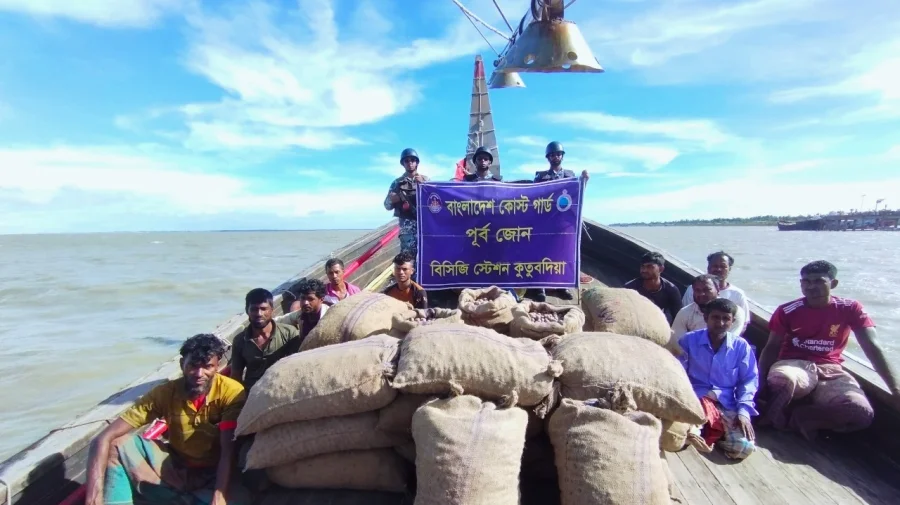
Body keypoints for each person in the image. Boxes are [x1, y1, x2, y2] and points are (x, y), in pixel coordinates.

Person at [84, 334, 248, 505]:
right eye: (192, 366)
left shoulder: (231, 392)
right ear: (181, 364)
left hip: (215, 473)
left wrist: (218, 496)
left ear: (217, 365)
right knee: (115, 443)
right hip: (177, 465)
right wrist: (93, 498)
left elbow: (228, 451)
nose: (200, 374)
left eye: (207, 366)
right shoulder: (165, 393)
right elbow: (102, 438)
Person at [757, 260, 900, 439]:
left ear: (833, 283)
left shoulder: (850, 308)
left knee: (860, 411)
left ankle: (800, 417)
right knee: (782, 379)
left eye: (819, 281)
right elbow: (772, 347)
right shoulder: (788, 310)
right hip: (795, 363)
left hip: (830, 368)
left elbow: (872, 347)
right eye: (806, 281)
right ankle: (775, 417)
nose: (811, 287)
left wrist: (895, 389)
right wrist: (760, 379)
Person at [679, 298, 758, 460]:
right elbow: (679, 373)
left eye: (726, 319)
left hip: (726, 403)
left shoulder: (741, 347)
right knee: (681, 435)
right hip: (695, 398)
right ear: (706, 317)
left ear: (732, 321)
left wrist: (743, 412)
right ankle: (699, 431)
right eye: (715, 317)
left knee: (744, 448)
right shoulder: (688, 340)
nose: (720, 323)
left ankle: (718, 436)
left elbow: (749, 381)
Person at [528, 141, 589, 302]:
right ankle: (539, 287)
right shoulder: (541, 176)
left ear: (562, 156)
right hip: (545, 222)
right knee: (541, 253)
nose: (555, 157)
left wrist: (584, 181)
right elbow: (534, 196)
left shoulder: (570, 175)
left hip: (564, 223)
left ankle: (561, 286)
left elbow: (578, 193)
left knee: (562, 253)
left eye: (558, 154)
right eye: (552, 155)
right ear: (548, 158)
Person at [229, 288, 301, 391]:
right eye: (254, 309)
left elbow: (297, 367)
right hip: (252, 392)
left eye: (263, 309)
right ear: (247, 311)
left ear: (272, 309)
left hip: (283, 388)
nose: (259, 314)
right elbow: (236, 376)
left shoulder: (289, 333)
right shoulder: (240, 340)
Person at [682, 251, 751, 334]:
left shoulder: (738, 294)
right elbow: (685, 315)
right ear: (708, 267)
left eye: (723, 266)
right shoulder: (692, 289)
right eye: (715, 266)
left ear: (729, 269)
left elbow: (743, 323)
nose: (718, 269)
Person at [384, 148, 429, 262]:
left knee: (426, 260)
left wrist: (424, 186)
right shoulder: (396, 183)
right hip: (407, 230)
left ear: (417, 162)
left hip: (425, 228)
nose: (410, 163)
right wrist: (393, 199)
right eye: (407, 161)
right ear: (403, 164)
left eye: (412, 160)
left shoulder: (426, 180)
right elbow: (387, 205)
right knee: (407, 261)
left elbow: (435, 203)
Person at [672, 274, 745, 340]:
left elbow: (730, 342)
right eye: (697, 290)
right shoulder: (684, 313)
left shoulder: (735, 312)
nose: (701, 294)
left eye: (707, 290)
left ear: (718, 290)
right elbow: (677, 342)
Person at [623, 251, 683, 325]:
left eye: (649, 267)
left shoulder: (671, 290)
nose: (644, 270)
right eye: (642, 266)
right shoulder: (630, 288)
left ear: (661, 269)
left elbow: (678, 318)